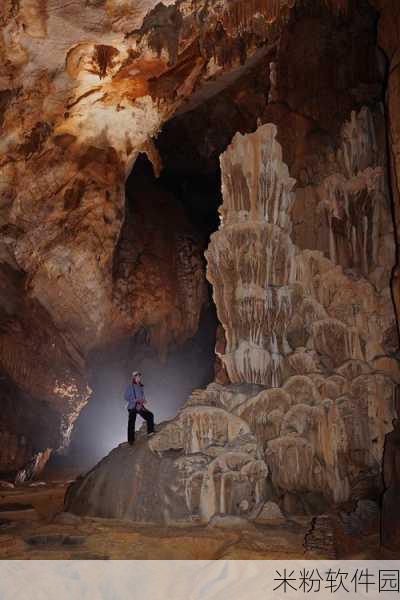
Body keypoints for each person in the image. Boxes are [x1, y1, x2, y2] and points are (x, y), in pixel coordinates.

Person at [124, 371, 155, 445]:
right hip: (132, 407)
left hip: (140, 406)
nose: (138, 378)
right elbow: (126, 397)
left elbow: (142, 396)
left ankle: (150, 432)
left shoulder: (140, 386)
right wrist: (135, 400)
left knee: (150, 415)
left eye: (139, 376)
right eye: (137, 376)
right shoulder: (130, 386)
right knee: (131, 423)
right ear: (134, 377)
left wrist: (143, 400)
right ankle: (131, 440)